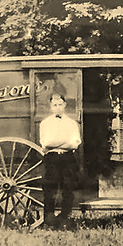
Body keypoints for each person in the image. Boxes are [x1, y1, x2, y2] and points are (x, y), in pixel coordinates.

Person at [40, 93, 82, 228]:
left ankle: (64, 218)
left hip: (68, 158)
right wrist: (64, 141)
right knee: (50, 188)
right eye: (54, 105)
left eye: (60, 105)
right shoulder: (45, 123)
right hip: (51, 159)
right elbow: (45, 143)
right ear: (51, 107)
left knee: (68, 188)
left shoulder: (72, 123)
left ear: (64, 105)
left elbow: (74, 144)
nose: (57, 108)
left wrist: (56, 142)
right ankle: (49, 220)